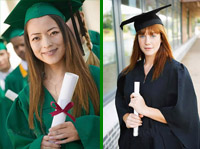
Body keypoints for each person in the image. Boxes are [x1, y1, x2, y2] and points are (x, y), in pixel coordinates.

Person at [5, 0, 100, 148]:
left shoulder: (95, 77)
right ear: (29, 44)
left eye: (53, 32)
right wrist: (39, 145)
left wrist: (83, 129)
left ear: (65, 33)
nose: (46, 44)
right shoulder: (26, 97)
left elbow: (117, 121)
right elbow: (19, 144)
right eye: (36, 38)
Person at [115, 4, 200, 149]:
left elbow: (185, 116)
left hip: (165, 143)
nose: (147, 41)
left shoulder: (177, 72)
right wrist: (126, 118)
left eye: (153, 35)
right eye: (142, 35)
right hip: (134, 143)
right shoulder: (127, 74)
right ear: (137, 39)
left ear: (161, 38)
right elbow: (121, 104)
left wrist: (145, 109)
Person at [2, 26, 28, 94]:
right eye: (16, 47)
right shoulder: (11, 79)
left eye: (22, 44)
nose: (20, 49)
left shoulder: (46, 66)